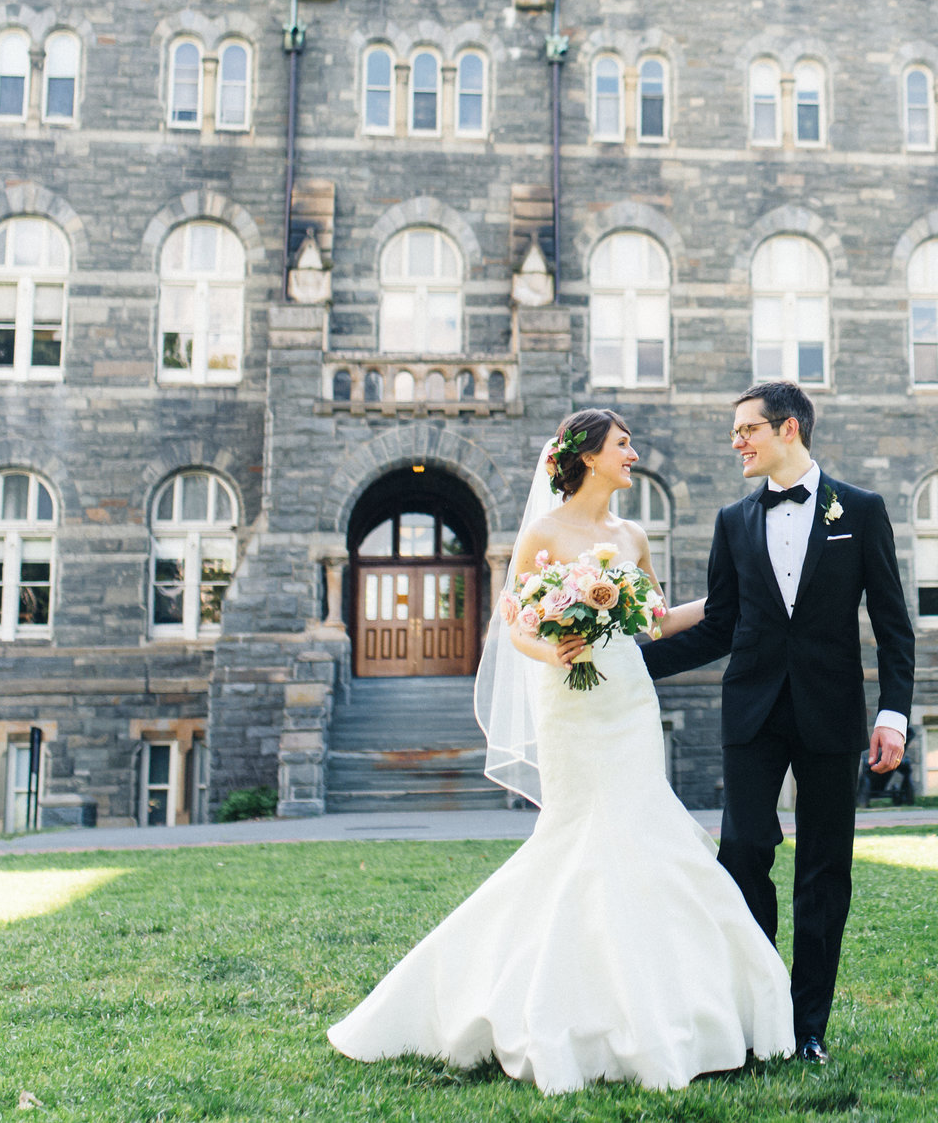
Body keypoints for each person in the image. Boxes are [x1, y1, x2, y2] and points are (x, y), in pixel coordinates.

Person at [329, 410, 795, 1093]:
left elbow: (656, 621)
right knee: (578, 839)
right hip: (570, 698)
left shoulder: (631, 535)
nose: (633, 452)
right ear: (588, 456)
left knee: (646, 830)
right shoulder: (543, 532)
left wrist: (737, 600)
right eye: (623, 444)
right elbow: (513, 623)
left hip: (628, 697)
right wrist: (551, 648)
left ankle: (682, 1002)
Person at [643, 381, 918, 1065]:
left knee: (825, 871)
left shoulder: (861, 509)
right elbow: (720, 626)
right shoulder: (734, 521)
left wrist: (893, 714)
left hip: (832, 713)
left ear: (788, 427)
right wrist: (631, 662)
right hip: (753, 711)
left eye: (747, 429)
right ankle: (761, 1012)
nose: (736, 441)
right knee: (742, 854)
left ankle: (808, 1026)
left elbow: (892, 624)